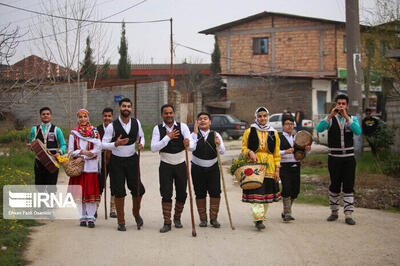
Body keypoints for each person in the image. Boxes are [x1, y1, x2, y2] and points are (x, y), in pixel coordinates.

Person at [316, 94, 361, 225]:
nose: (341, 106)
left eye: (343, 104)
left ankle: (348, 214)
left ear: (347, 106)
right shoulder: (330, 119)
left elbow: (358, 131)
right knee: (334, 184)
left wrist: (347, 117)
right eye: (339, 103)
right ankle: (334, 212)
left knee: (348, 185)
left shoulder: (352, 119)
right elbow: (319, 129)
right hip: (334, 158)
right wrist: (330, 115)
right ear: (336, 105)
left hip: (348, 158)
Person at [102, 98, 145, 231]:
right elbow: (103, 144)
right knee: (119, 191)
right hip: (117, 162)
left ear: (131, 109)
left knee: (138, 189)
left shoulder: (136, 122)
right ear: (119, 108)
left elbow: (141, 137)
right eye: (124, 106)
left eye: (128, 106)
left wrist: (141, 144)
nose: (126, 108)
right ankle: (121, 221)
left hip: (132, 159)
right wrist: (115, 144)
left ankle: (136, 213)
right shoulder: (112, 126)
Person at [151, 104, 194, 233]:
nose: (168, 115)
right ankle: (167, 222)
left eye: (170, 113)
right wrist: (167, 138)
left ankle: (177, 217)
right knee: (166, 193)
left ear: (174, 113)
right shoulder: (157, 129)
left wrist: (188, 144)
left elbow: (191, 145)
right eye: (166, 113)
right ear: (162, 115)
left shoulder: (183, 127)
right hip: (165, 164)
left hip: (181, 163)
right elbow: (153, 148)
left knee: (182, 193)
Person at [241, 107, 281, 230]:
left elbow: (277, 153)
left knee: (265, 195)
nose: (262, 118)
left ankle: (261, 217)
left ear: (267, 117)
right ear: (256, 117)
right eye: (260, 116)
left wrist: (277, 170)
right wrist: (249, 152)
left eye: (264, 116)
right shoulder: (249, 131)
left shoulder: (274, 133)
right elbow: (243, 148)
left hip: (269, 167)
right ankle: (258, 219)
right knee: (257, 193)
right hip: (255, 166)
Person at [189, 112, 225, 228]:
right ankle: (203, 219)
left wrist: (219, 145)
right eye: (200, 119)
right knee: (200, 192)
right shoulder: (193, 135)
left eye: (205, 119)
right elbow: (191, 147)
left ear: (210, 122)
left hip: (213, 168)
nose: (203, 121)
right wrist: (195, 135)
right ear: (197, 122)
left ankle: (213, 219)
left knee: (215, 192)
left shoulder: (216, 134)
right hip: (197, 168)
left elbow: (222, 151)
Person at [67, 109, 101, 228]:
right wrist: (81, 152)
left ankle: (91, 217)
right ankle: (82, 216)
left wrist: (84, 157)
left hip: (90, 167)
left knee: (90, 192)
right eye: (80, 117)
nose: (83, 119)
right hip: (78, 168)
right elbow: (70, 151)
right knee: (80, 193)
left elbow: (98, 148)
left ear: (88, 118)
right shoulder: (74, 133)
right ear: (78, 118)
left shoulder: (94, 132)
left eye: (85, 116)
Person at [279, 116, 310, 222]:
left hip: (296, 166)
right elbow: (274, 153)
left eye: (292, 124)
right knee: (286, 188)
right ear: (283, 126)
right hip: (284, 166)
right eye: (287, 124)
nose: (290, 126)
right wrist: (284, 152)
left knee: (295, 190)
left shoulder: (297, 137)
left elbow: (302, 153)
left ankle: (286, 210)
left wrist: (307, 150)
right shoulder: (279, 138)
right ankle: (287, 213)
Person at [28, 107, 67, 193]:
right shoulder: (34, 130)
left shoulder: (57, 130)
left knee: (51, 185)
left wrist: (59, 152)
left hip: (53, 162)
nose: (45, 116)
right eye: (43, 114)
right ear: (40, 116)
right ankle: (42, 205)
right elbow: (31, 145)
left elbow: (63, 145)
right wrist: (30, 147)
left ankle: (51, 204)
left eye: (47, 114)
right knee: (39, 185)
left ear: (51, 116)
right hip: (39, 162)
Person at [96, 107, 116, 218]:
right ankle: (95, 208)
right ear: (102, 117)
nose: (107, 118)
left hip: (114, 159)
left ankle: (113, 209)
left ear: (112, 117)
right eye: (105, 116)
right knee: (100, 183)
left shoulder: (116, 128)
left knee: (114, 184)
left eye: (109, 116)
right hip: (101, 159)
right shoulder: (97, 129)